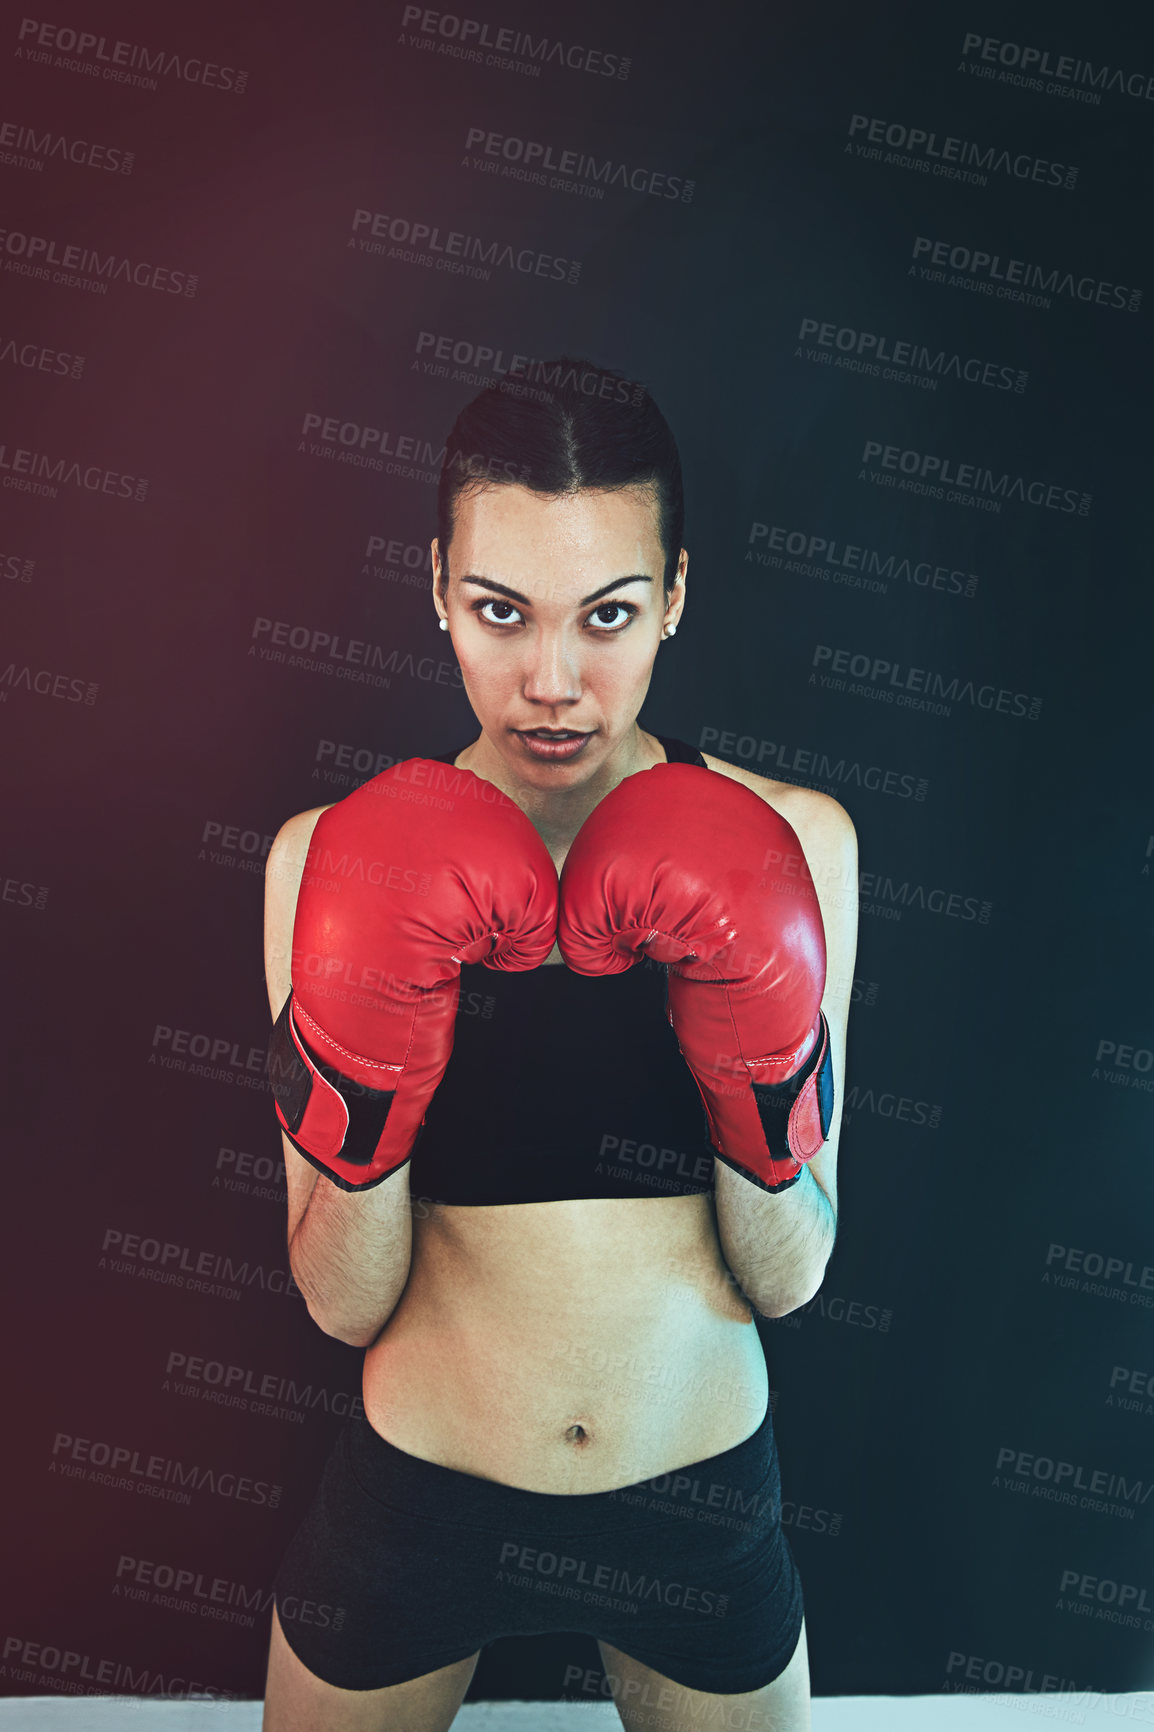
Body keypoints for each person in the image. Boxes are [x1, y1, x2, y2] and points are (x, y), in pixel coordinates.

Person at [260, 359, 858, 1732]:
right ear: (434, 590)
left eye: (607, 616)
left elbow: (793, 1274)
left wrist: (757, 1075)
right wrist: (363, 1064)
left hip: (699, 1494)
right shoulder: (320, 868)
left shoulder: (797, 846)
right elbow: (342, 1302)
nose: (550, 681)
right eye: (498, 612)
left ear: (677, 597)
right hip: (416, 1494)